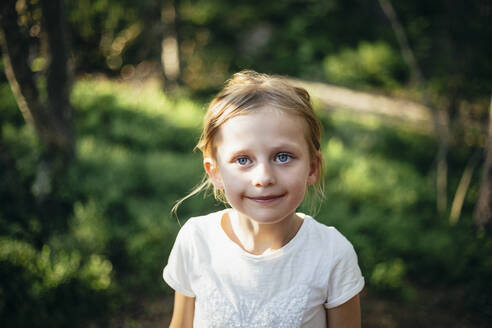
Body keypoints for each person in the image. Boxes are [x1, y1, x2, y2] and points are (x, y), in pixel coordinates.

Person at [163, 70, 364, 327]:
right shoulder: (196, 240)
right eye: (243, 160)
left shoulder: (331, 253)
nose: (264, 177)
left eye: (282, 156)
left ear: (312, 168)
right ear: (215, 172)